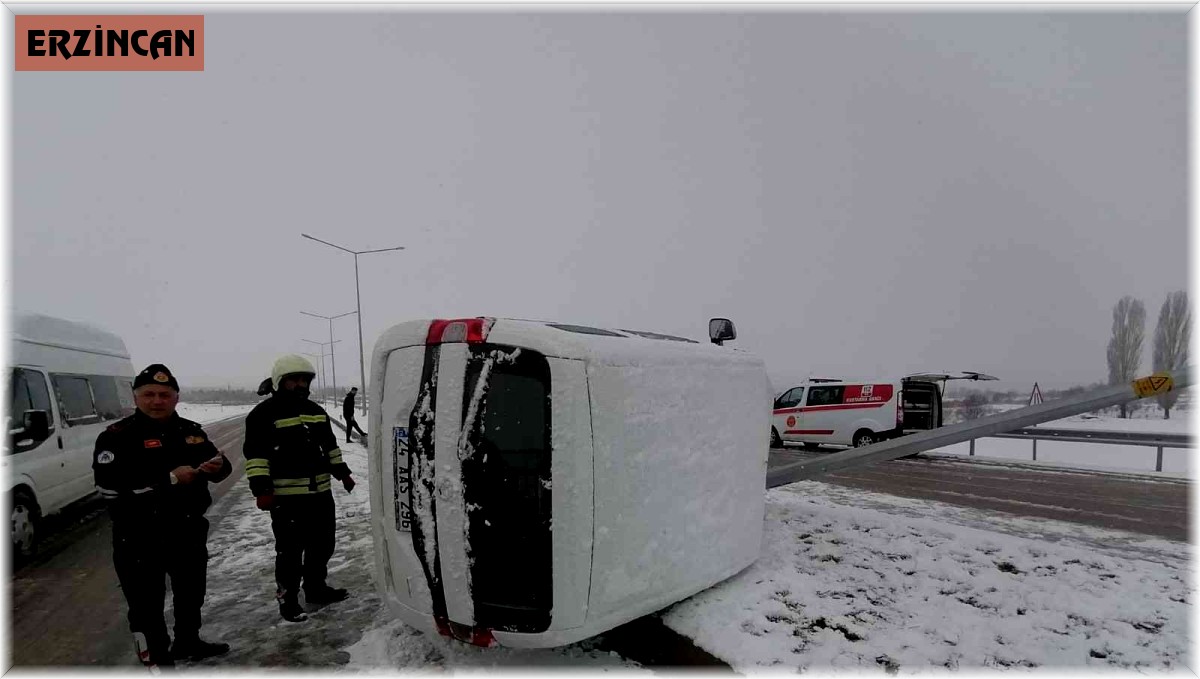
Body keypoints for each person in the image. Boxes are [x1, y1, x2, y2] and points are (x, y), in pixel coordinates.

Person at [92, 364, 232, 668]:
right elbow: (109, 488)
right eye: (149, 394)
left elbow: (222, 468)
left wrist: (218, 466)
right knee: (145, 608)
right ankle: (157, 663)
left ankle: (188, 642)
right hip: (139, 536)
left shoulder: (191, 432)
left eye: (164, 394)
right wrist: (167, 479)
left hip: (187, 529)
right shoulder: (117, 437)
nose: (157, 400)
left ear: (176, 397)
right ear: (136, 397)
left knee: (190, 594)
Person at [243, 355, 355, 622]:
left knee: (323, 546)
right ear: (280, 381)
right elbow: (257, 456)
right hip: (287, 499)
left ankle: (316, 589)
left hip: (321, 495)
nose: (301, 384)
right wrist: (261, 489)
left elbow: (330, 447)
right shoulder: (263, 414)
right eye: (294, 379)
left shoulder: (316, 411)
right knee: (290, 553)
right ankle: (288, 600)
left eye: (305, 379)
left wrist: (343, 473)